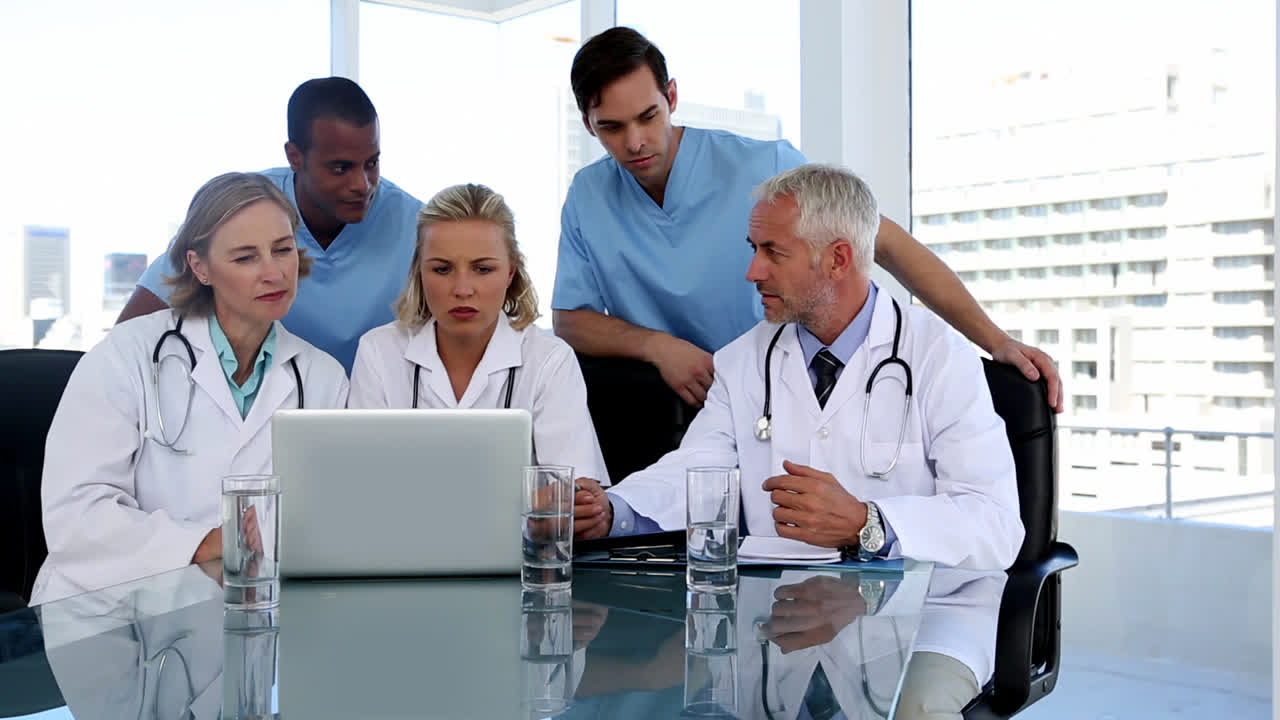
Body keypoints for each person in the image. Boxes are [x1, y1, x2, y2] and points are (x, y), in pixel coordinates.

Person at [575, 164, 1022, 716]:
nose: (751, 271)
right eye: (752, 247)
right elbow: (698, 470)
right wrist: (615, 511)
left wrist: (870, 522)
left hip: (928, 611)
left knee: (916, 711)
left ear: (837, 258)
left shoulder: (938, 358)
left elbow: (996, 522)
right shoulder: (744, 362)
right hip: (780, 611)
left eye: (772, 252)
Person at [553, 27, 1062, 413]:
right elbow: (571, 319)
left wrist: (996, 340)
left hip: (785, 398)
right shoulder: (588, 195)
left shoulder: (761, 165)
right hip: (670, 410)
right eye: (612, 128)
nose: (636, 142)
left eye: (648, 116)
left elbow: (883, 242)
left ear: (672, 97)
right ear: (587, 125)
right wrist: (656, 346)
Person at [31, 172, 350, 606]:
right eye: (245, 258)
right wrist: (209, 542)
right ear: (199, 267)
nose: (274, 272)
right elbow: (77, 516)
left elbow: (328, 521)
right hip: (107, 615)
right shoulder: (126, 356)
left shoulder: (321, 378)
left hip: (251, 616)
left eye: (283, 249)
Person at [348, 183, 610, 531]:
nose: (462, 289)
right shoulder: (379, 352)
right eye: (442, 269)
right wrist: (527, 513)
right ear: (419, 273)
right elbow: (357, 497)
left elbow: (575, 501)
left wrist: (423, 507)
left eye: (483, 269)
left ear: (511, 272)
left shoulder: (549, 359)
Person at [118, 77, 423, 373]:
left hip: (374, 408)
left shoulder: (416, 225)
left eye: (372, 163)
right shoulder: (242, 209)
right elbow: (124, 342)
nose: (362, 184)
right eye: (340, 168)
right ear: (295, 157)